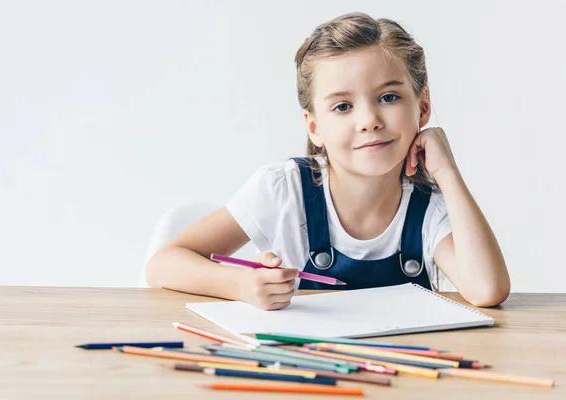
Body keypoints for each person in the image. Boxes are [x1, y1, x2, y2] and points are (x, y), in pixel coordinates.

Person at [146, 12, 510, 311]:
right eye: (343, 106)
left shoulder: (430, 211)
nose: (368, 119)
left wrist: (447, 171)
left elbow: (487, 290)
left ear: (423, 107)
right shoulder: (283, 190)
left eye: (388, 96)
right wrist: (240, 284)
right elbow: (163, 264)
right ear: (315, 127)